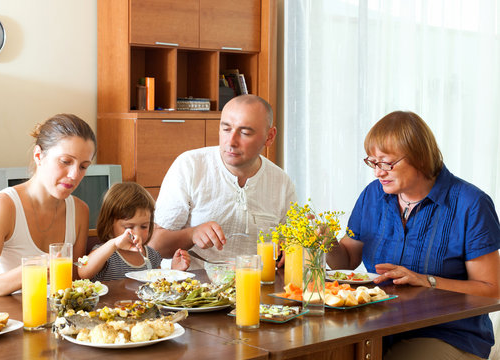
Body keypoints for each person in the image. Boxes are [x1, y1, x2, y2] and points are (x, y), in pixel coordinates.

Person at [326, 111, 500, 360]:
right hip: (378, 327)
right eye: (373, 162)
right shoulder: (372, 195)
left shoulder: (471, 204)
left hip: (448, 334)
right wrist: (325, 241)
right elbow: (346, 261)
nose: (378, 172)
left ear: (419, 157)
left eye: (387, 163)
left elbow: (491, 290)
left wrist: (426, 280)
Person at [0, 114, 97, 300]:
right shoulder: (3, 207)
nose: (74, 175)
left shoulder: (80, 211)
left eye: (83, 166)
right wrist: (29, 271)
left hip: (57, 323)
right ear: (39, 155)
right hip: (10, 322)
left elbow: (73, 281)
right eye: (65, 161)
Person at [150, 94, 297, 267]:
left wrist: (291, 248)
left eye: (245, 133)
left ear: (269, 137)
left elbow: (291, 244)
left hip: (255, 287)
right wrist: (192, 234)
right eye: (226, 129)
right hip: (192, 286)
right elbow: (155, 246)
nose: (231, 141)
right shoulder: (190, 166)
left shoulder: (281, 182)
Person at [78, 182, 190, 281]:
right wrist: (114, 243)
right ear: (110, 224)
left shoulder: (151, 255)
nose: (137, 233)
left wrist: (174, 272)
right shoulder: (106, 253)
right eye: (129, 227)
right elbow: (83, 272)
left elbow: (158, 285)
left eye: (144, 226)